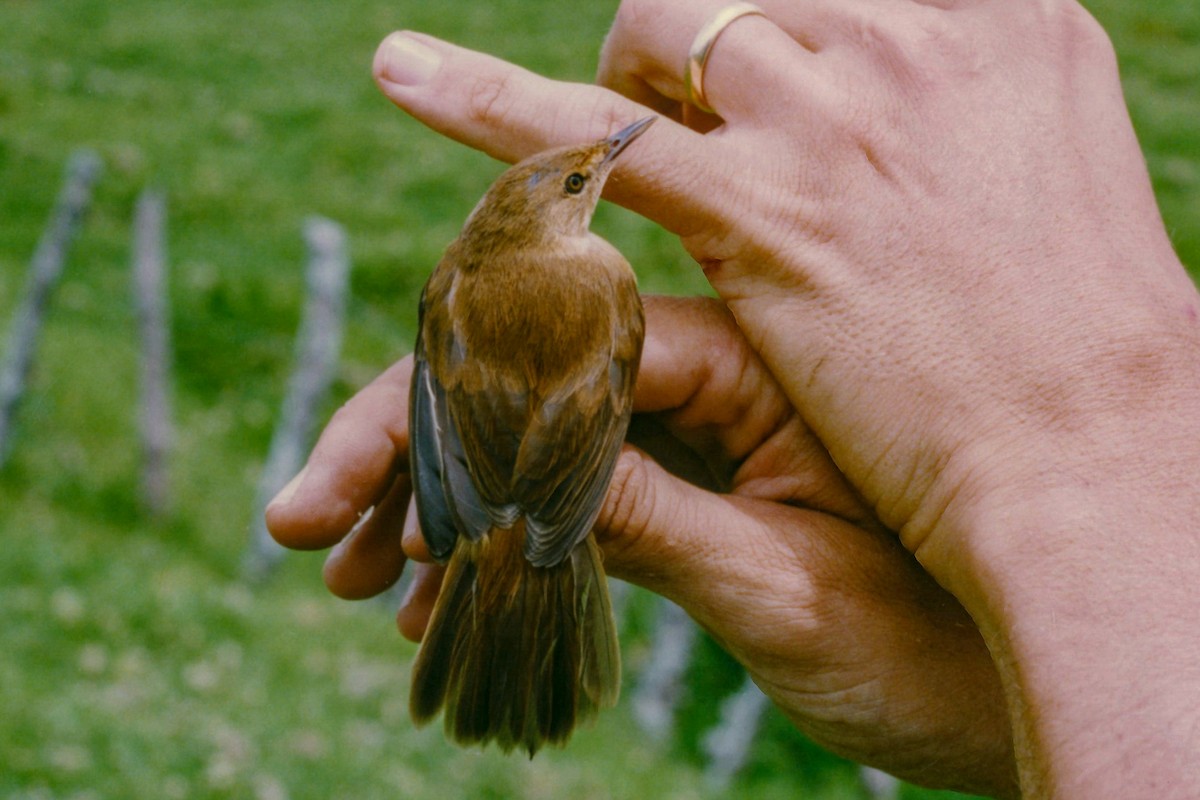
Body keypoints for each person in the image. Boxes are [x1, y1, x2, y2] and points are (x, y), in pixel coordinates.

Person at [265, 1, 1200, 797]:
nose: (603, 172)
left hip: (474, 485)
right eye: (585, 179)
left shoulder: (459, 276)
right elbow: (589, 423)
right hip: (541, 500)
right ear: (557, 209)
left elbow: (439, 393)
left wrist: (479, 501)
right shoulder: (604, 284)